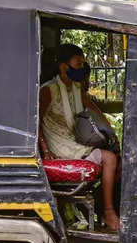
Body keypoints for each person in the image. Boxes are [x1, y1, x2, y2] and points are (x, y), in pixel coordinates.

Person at [39, 44, 120, 231]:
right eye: (79, 63)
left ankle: (101, 208)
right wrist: (45, 151)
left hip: (74, 143)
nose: (82, 68)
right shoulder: (48, 90)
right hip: (59, 147)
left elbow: (93, 108)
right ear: (63, 67)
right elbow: (35, 122)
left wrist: (112, 135)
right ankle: (108, 212)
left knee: (118, 160)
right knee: (109, 158)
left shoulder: (76, 89)